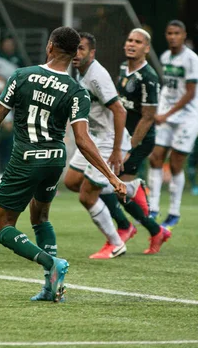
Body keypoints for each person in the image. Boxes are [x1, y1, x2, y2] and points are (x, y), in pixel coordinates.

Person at [0, 27, 127, 303]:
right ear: (72, 54)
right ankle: (49, 288)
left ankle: (51, 263)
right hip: (55, 159)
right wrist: (112, 178)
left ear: (50, 47)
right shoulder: (76, 91)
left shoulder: (21, 76)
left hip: (25, 160)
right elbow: (82, 139)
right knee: (40, 218)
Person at [63, 32, 146, 259]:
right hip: (94, 138)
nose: (76, 54)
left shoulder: (97, 76)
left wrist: (118, 150)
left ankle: (116, 242)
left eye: (81, 49)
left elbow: (120, 110)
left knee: (87, 197)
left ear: (92, 52)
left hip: (109, 141)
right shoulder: (81, 73)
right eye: (74, 49)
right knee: (72, 182)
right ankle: (130, 188)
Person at [113, 28, 171, 253]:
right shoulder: (123, 68)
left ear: (146, 48)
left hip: (139, 139)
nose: (131, 44)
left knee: (116, 188)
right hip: (122, 137)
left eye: (137, 41)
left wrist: (129, 147)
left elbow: (147, 118)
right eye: (129, 40)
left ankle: (149, 229)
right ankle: (155, 229)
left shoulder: (149, 78)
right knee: (115, 188)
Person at [148, 20, 198, 230]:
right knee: (155, 157)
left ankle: (174, 212)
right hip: (166, 116)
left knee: (177, 164)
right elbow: (167, 89)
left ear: (184, 35)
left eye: (177, 33)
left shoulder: (191, 59)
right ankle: (153, 207)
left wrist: (166, 113)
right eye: (169, 33)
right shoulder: (165, 57)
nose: (172, 37)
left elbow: (190, 93)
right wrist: (159, 111)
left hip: (187, 117)